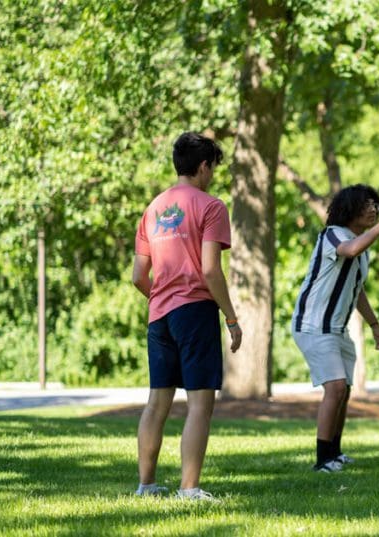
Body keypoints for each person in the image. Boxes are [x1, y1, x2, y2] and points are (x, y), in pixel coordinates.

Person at [132, 132, 243, 501]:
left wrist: (164, 299)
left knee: (156, 402)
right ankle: (189, 489)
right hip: (195, 311)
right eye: (212, 167)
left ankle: (146, 486)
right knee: (199, 404)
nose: (212, 175)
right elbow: (211, 270)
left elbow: (138, 276)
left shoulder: (153, 209)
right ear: (203, 166)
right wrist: (230, 317)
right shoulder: (211, 206)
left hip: (159, 316)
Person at [292, 185, 379, 473]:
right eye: (367, 205)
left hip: (336, 328)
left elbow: (357, 291)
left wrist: (375, 325)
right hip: (313, 325)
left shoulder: (361, 247)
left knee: (343, 389)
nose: (373, 210)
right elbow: (351, 249)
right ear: (349, 209)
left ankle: (335, 453)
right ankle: (322, 461)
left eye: (376, 205)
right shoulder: (333, 234)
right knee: (334, 387)